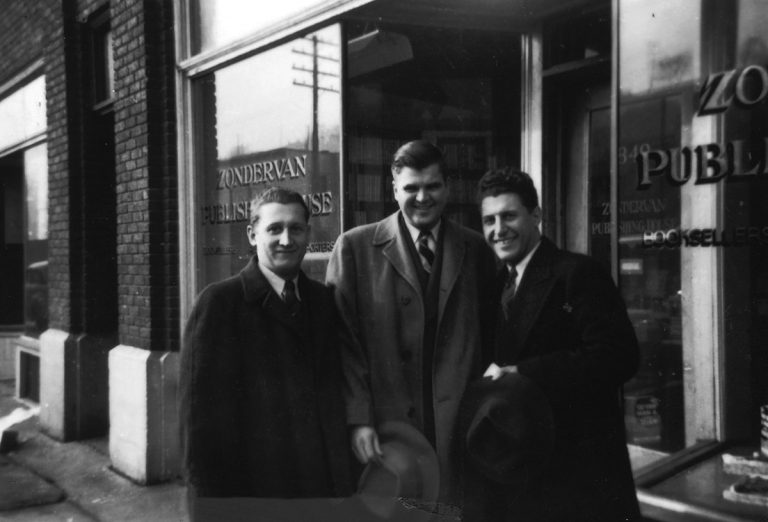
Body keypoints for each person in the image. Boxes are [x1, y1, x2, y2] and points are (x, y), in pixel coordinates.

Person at [326, 140, 497, 509]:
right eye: (411, 188)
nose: (422, 197)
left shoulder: (476, 249)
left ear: (448, 187)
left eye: (432, 186)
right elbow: (342, 345)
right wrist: (358, 419)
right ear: (393, 189)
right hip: (388, 429)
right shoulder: (354, 249)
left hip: (456, 431)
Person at [465, 167, 641, 521]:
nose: (499, 230)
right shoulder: (493, 285)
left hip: (578, 475)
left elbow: (619, 356)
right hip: (519, 468)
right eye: (489, 220)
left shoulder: (577, 273)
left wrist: (523, 374)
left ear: (537, 216)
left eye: (509, 216)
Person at [179, 187, 352, 518]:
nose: (286, 239)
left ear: (308, 233)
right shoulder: (219, 304)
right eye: (274, 229)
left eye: (296, 228)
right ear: (252, 234)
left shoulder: (323, 302)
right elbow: (199, 429)